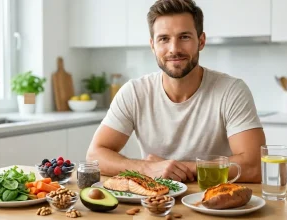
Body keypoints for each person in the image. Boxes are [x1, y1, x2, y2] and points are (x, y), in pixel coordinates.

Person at [86, 0, 265, 183]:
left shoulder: (231, 91)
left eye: (184, 37)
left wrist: (178, 168)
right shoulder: (134, 92)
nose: (174, 49)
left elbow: (254, 166)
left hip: (215, 200)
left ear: (201, 41)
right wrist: (147, 168)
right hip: (155, 204)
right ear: (152, 45)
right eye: (164, 39)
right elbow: (95, 155)